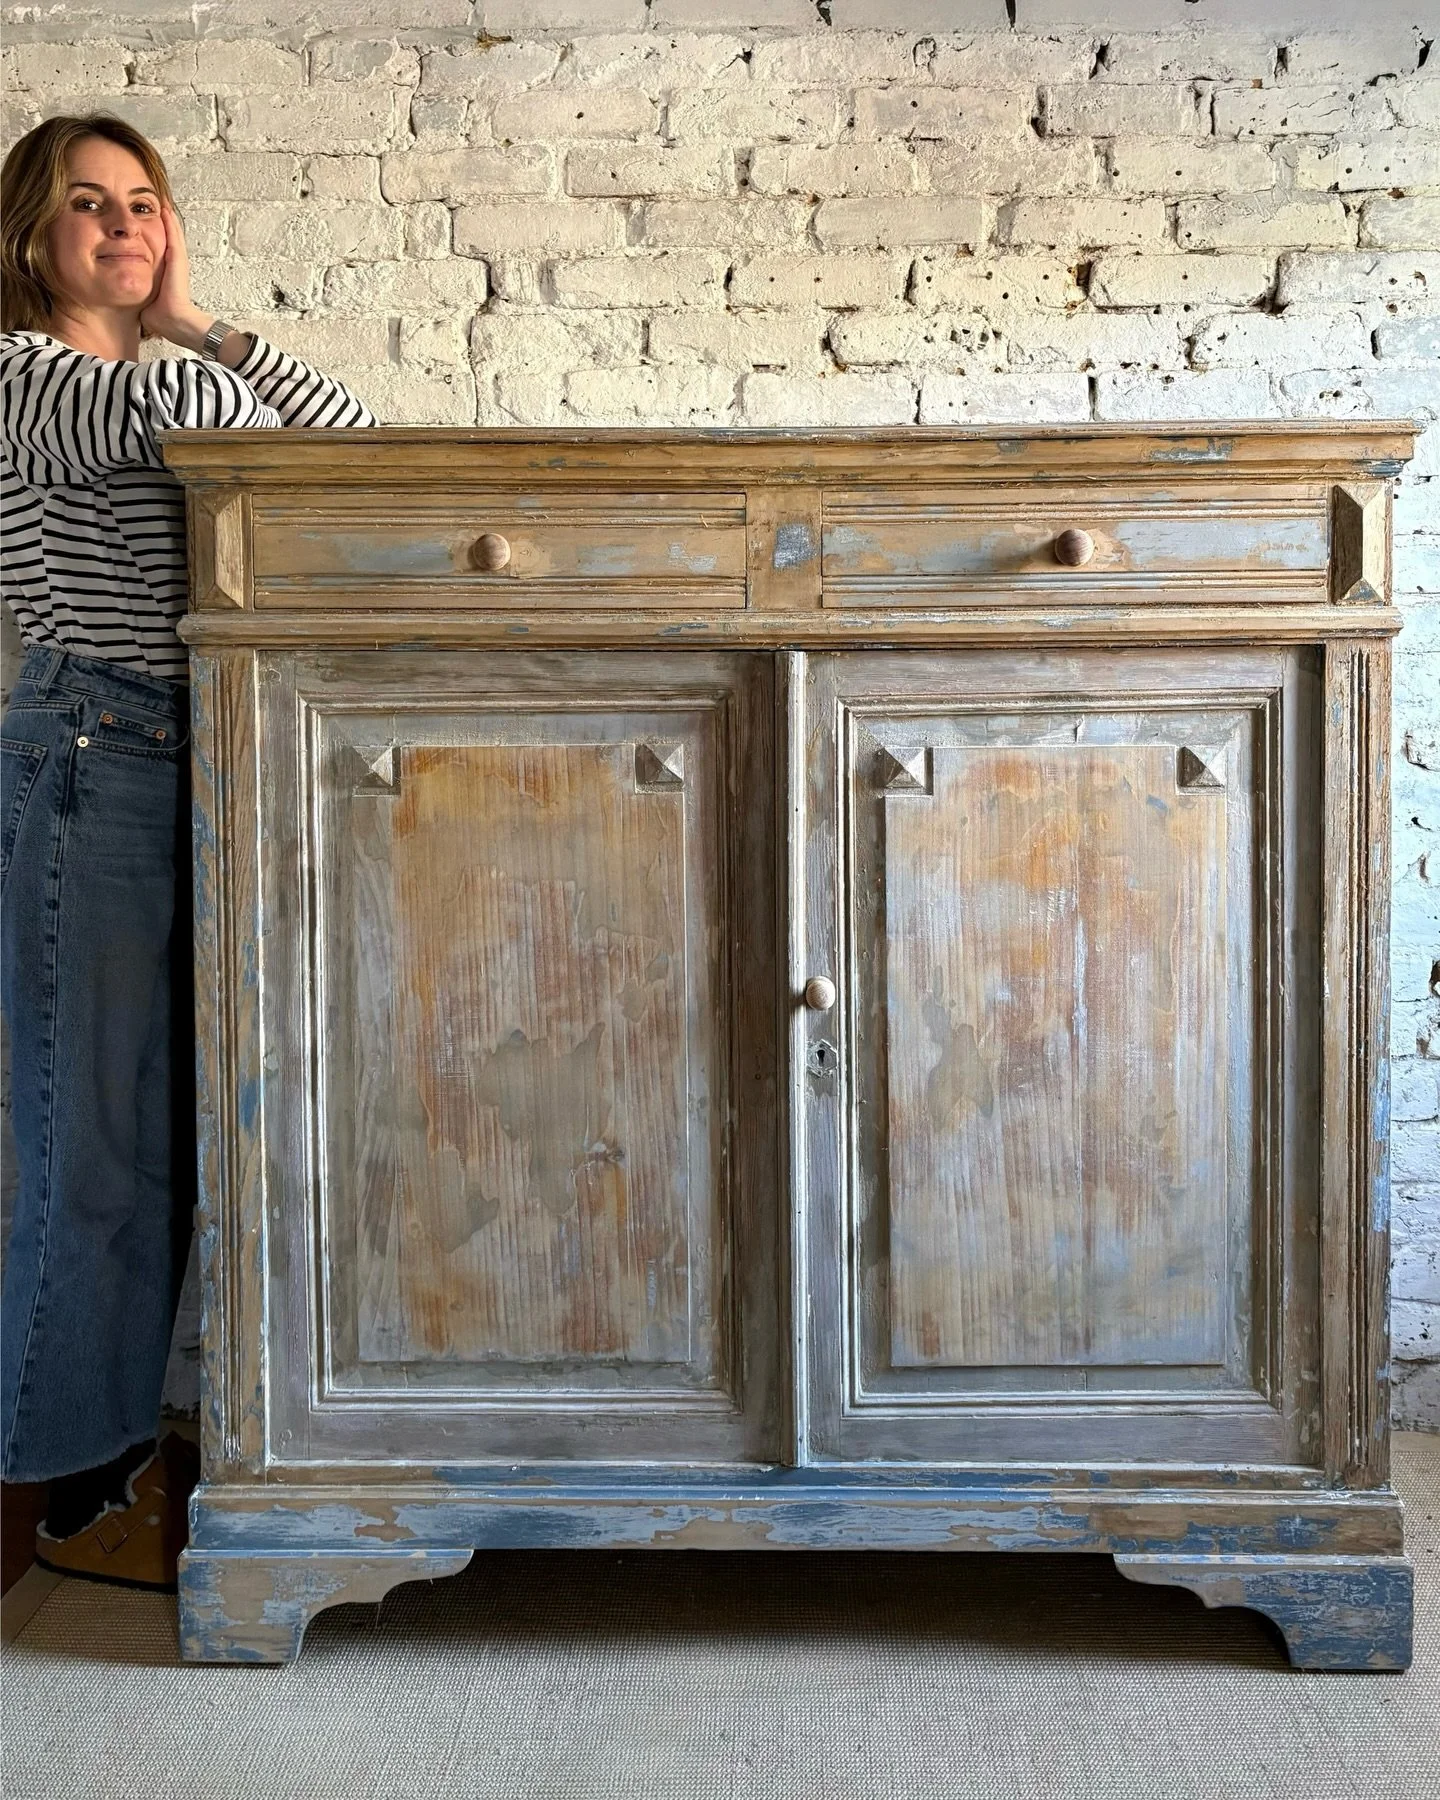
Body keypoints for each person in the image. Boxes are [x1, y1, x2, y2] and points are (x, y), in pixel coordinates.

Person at [0, 113, 373, 1588]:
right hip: (89, 756)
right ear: (32, 235)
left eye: (144, 201)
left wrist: (204, 318)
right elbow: (173, 425)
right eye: (88, 205)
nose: (120, 224)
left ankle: (112, 1474)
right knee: (82, 1155)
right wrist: (174, 348)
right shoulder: (27, 380)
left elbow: (337, 452)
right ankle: (53, 1499)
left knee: (167, 1155)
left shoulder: (165, 363)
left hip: (192, 758)